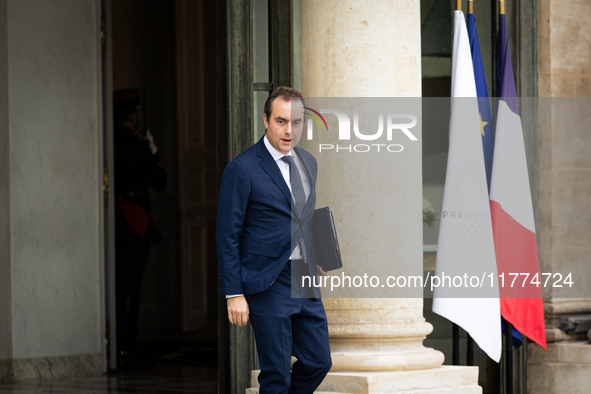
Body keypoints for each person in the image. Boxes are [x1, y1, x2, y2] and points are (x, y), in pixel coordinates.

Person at [216, 86, 332, 393]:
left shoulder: (308, 161)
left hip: (304, 278)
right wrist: (233, 293)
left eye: (296, 123)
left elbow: (304, 215)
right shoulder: (241, 169)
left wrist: (319, 250)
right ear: (266, 120)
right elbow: (227, 234)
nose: (288, 130)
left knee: (319, 361)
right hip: (268, 281)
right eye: (281, 121)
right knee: (276, 373)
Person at [113, 88, 167, 367]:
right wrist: (154, 153)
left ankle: (117, 346)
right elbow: (160, 182)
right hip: (135, 219)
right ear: (133, 116)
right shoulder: (140, 144)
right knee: (132, 286)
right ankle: (126, 348)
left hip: (114, 219)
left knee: (117, 286)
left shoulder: (107, 141)